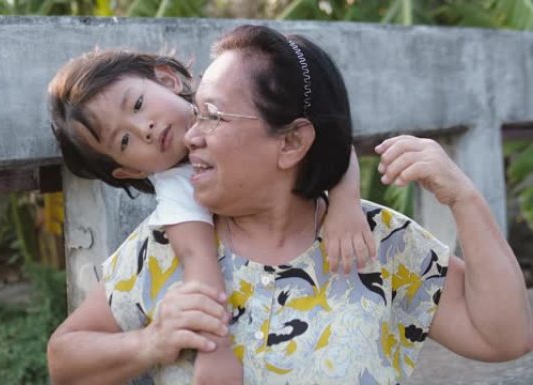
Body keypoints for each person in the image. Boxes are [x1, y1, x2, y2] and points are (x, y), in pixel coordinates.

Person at [46, 24, 533, 385]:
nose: (189, 134)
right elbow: (64, 360)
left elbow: (504, 338)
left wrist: (464, 199)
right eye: (126, 142)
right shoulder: (158, 252)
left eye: (211, 115)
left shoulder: (376, 242)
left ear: (291, 143)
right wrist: (149, 342)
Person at [47, 41, 375, 384]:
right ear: (129, 171)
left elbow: (324, 138)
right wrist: (213, 349)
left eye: (139, 105)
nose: (143, 128)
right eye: (124, 141)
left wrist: (344, 203)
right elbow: (198, 263)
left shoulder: (232, 92)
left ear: (168, 79)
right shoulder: (177, 191)